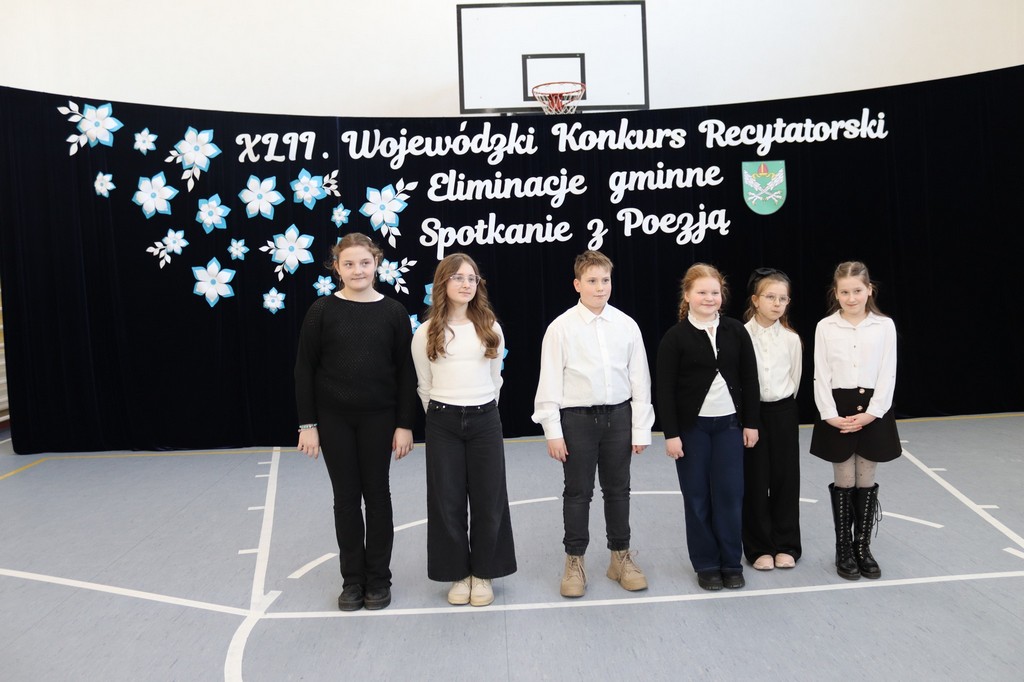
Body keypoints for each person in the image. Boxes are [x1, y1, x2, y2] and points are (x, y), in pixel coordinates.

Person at [294, 232, 417, 612]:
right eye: (349, 263)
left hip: (380, 419)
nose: (357, 270)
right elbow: (304, 368)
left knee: (377, 496)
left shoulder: (394, 312)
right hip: (334, 420)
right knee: (346, 499)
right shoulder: (321, 310)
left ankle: (378, 579)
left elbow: (406, 372)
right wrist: (308, 425)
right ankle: (352, 580)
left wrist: (404, 424)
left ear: (376, 263)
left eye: (364, 262)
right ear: (337, 267)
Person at [532, 250, 655, 598]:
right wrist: (553, 432)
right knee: (578, 492)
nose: (600, 287)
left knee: (618, 490)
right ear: (577, 284)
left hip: (619, 418)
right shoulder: (560, 328)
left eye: (605, 280)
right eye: (592, 281)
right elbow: (549, 382)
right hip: (577, 421)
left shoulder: (627, 326)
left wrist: (640, 428)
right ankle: (575, 561)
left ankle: (620, 557)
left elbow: (640, 379)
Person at [411, 253, 516, 607]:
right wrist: (444, 414)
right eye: (458, 277)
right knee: (447, 499)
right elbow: (425, 385)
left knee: (489, 498)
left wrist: (481, 409)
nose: (466, 284)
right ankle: (458, 573)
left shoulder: (490, 327)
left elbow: (495, 379)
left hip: (485, 419)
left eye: (472, 278)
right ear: (443, 283)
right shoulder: (426, 332)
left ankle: (484, 572)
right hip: (443, 422)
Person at [656, 263, 760, 591]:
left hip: (729, 427)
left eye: (715, 292)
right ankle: (706, 564)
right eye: (701, 292)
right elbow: (665, 390)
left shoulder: (736, 331)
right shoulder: (675, 338)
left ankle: (731, 562)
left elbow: (750, 379)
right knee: (697, 497)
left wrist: (751, 423)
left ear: (722, 296)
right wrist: (671, 435)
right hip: (692, 431)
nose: (709, 298)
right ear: (687, 295)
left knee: (730, 496)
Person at [810, 261, 900, 580]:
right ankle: (844, 549)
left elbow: (888, 372)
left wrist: (873, 412)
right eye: (845, 292)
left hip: (873, 410)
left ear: (869, 290)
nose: (851, 298)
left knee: (866, 480)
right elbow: (821, 373)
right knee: (844, 479)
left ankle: (863, 548)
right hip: (839, 410)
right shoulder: (825, 327)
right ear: (836, 293)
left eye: (857, 291)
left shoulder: (884, 326)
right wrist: (830, 415)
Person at [742, 268, 803, 571]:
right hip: (752, 415)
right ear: (755, 300)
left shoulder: (791, 340)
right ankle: (759, 547)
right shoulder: (740, 335)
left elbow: (795, 379)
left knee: (785, 480)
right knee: (755, 480)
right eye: (770, 297)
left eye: (783, 299)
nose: (777, 304)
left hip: (783, 413)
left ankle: (786, 544)